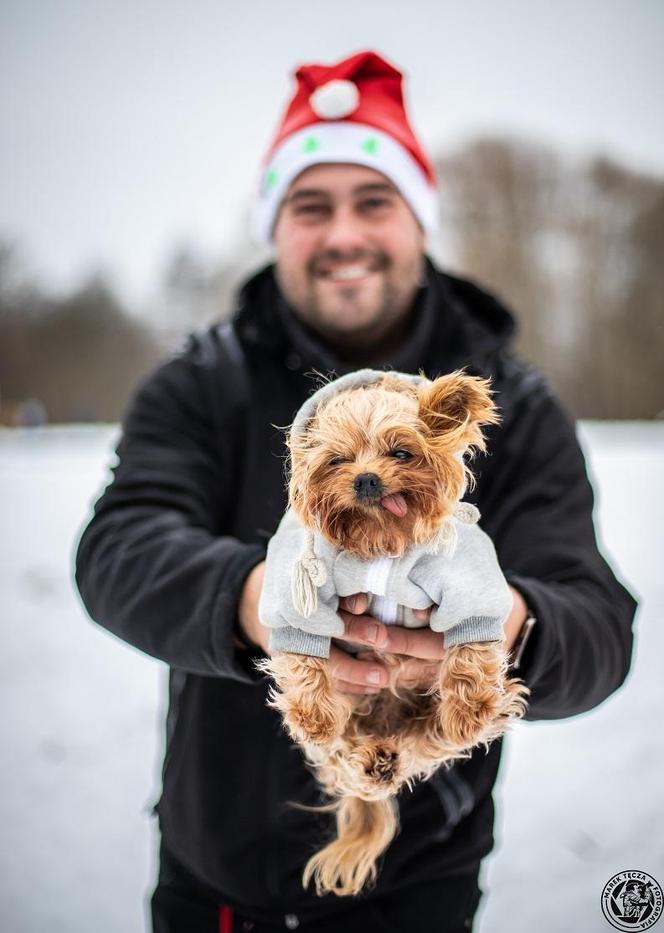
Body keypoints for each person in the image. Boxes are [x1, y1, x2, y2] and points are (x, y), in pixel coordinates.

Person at [75, 50, 636, 933]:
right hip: (212, 880)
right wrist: (256, 604)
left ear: (418, 218)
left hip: (421, 890)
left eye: (374, 200)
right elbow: (117, 552)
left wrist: (505, 623)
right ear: (275, 226)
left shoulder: (515, 405)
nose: (343, 234)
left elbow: (600, 622)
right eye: (310, 205)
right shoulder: (199, 381)